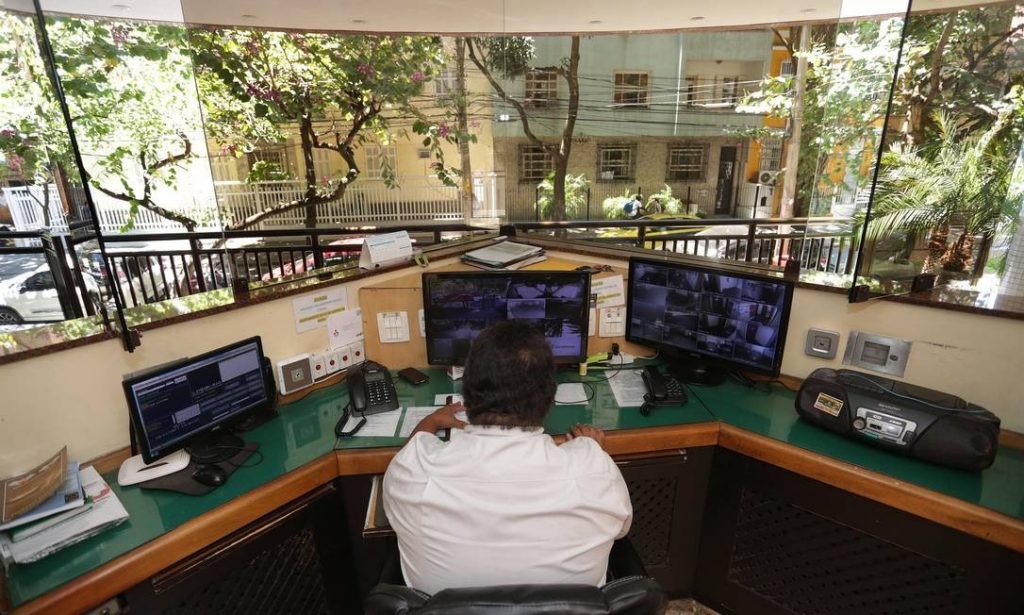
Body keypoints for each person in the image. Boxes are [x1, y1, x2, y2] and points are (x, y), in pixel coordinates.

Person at [382, 320, 633, 595]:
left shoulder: (414, 470)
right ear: (549, 399)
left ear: (466, 394)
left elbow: (412, 450)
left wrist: (430, 421)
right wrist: (591, 451)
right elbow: (621, 530)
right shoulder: (594, 469)